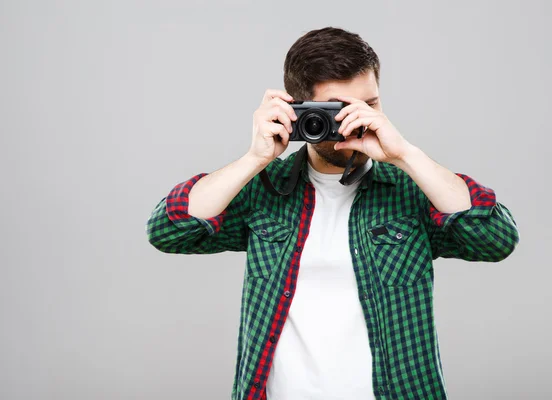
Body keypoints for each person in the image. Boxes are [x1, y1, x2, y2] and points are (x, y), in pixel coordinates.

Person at [146, 27, 520, 400]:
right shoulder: (264, 189)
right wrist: (254, 159)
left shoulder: (412, 189)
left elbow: (496, 239)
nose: (354, 121)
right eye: (336, 110)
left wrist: (405, 155)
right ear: (299, 110)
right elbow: (169, 230)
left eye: (368, 105)